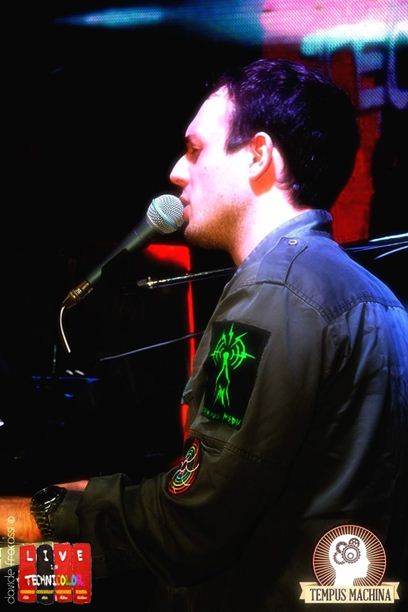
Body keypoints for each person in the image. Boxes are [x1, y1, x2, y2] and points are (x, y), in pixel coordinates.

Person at [1, 59, 407, 611]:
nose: (176, 170)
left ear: (259, 155)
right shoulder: (379, 298)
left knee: (13, 573)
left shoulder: (274, 292)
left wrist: (47, 513)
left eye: (195, 150)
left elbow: (191, 524)